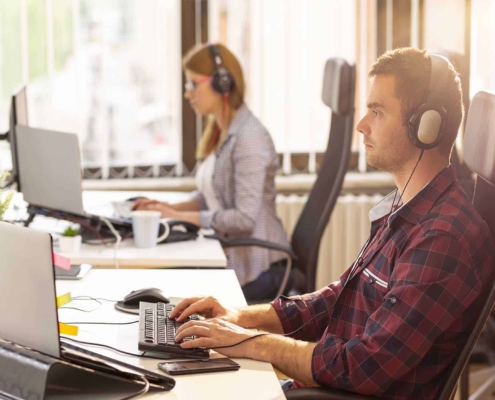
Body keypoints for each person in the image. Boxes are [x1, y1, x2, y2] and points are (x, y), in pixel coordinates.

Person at [167, 48, 495, 399]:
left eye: (377, 111)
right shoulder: (406, 208)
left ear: (426, 126)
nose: (361, 125)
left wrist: (251, 343)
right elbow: (338, 298)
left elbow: (364, 366)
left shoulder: (442, 237)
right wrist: (240, 317)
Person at [133, 43, 290, 301]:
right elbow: (209, 196)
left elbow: (244, 219)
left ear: (222, 83)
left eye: (194, 84)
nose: (188, 93)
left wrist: (178, 216)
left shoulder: (249, 137)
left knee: (171, 298)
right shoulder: (221, 131)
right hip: (233, 259)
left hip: (258, 270)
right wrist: (167, 207)